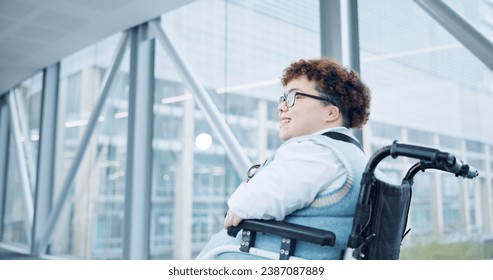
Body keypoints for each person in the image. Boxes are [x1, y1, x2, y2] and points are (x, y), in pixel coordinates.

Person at [196, 57, 371, 260]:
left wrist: (242, 198)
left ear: (331, 112)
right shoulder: (354, 157)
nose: (281, 107)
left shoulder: (314, 152)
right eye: (283, 99)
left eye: (294, 97)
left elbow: (244, 204)